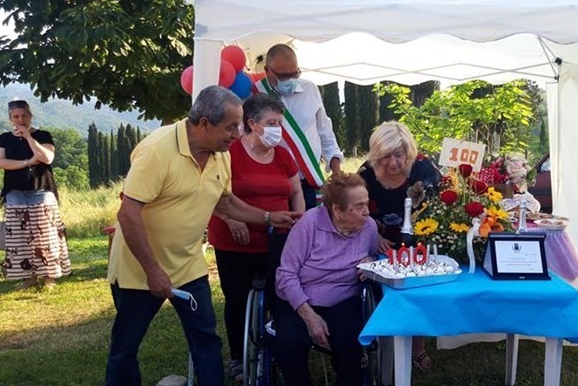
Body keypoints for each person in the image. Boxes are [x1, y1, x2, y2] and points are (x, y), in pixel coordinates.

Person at [104, 86, 301, 386]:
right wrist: (154, 272)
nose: (237, 133)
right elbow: (127, 215)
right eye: (231, 126)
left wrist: (266, 217)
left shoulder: (220, 154)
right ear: (205, 123)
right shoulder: (157, 150)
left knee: (206, 340)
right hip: (139, 270)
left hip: (188, 266)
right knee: (125, 348)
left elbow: (225, 201)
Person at [206, 93, 304, 382]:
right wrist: (231, 218)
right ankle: (238, 357)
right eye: (272, 122)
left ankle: (277, 351)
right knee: (237, 300)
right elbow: (212, 194)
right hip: (236, 238)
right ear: (252, 123)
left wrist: (299, 222)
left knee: (281, 298)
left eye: (280, 122)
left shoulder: (284, 155)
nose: (278, 128)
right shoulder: (229, 153)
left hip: (279, 239)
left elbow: (296, 191)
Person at [274, 173, 378, 386]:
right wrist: (310, 317)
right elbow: (286, 274)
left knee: (351, 340)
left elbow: (373, 256)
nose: (366, 212)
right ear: (337, 211)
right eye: (358, 207)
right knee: (289, 343)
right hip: (299, 298)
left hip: (344, 298)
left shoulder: (369, 227)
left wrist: (370, 260)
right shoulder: (309, 224)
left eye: (366, 204)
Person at [358, 121, 440, 371]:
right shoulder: (365, 175)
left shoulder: (424, 169)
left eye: (398, 155)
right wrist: (374, 237)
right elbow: (355, 213)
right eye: (385, 156)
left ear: (408, 152)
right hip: (377, 241)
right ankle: (377, 340)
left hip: (418, 239)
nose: (393, 163)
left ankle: (417, 347)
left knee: (416, 291)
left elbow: (439, 210)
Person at [253, 43, 344, 210]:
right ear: (267, 71)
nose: (290, 80)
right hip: (275, 184)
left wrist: (337, 172)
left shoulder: (310, 89)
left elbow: (325, 133)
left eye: (294, 74)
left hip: (309, 181)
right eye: (283, 76)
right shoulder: (255, 94)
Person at [0, 99, 70, 290]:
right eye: (16, 116)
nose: (20, 120)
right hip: (15, 192)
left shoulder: (43, 135)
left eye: (24, 116)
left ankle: (49, 277)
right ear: (10, 118)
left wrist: (28, 137)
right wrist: (28, 162)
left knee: (47, 236)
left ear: (30, 116)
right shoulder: (4, 138)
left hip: (41, 190)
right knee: (19, 239)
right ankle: (28, 278)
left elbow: (46, 157)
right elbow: (0, 163)